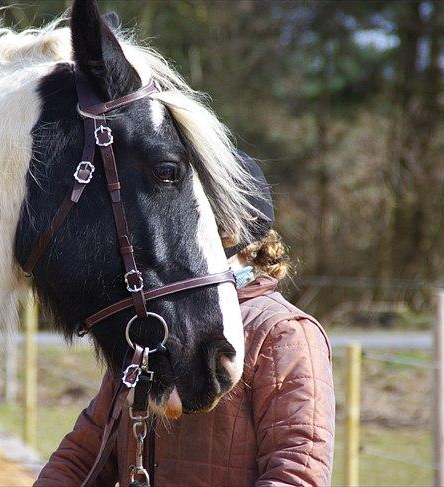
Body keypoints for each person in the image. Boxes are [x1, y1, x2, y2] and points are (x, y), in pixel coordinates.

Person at [35, 153, 335, 486]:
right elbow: (84, 455)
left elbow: (297, 472)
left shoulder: (283, 334)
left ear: (235, 234)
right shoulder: (151, 325)